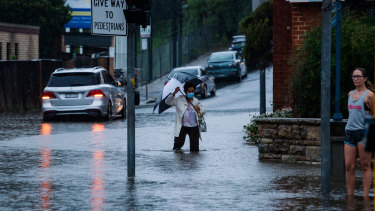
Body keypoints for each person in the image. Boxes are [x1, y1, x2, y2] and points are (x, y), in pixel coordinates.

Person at [345, 67, 374, 197]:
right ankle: (350, 196)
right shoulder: (350, 94)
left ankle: (366, 197)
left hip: (364, 133)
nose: (355, 79)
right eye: (354, 76)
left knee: (365, 165)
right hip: (349, 132)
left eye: (358, 76)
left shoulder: (370, 95)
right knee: (348, 166)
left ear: (365, 79)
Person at [165, 81, 204, 151]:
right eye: (189, 91)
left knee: (194, 148)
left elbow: (203, 110)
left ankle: (192, 161)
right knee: (177, 146)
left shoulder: (196, 101)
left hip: (194, 126)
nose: (191, 93)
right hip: (182, 126)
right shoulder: (179, 99)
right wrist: (174, 93)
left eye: (192, 91)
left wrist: (198, 108)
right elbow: (167, 102)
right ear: (185, 92)